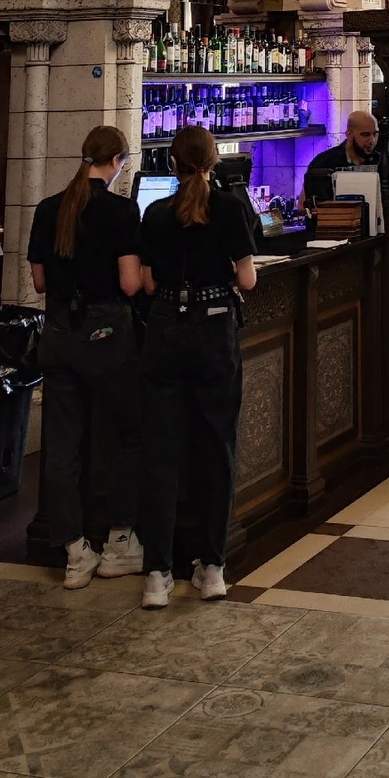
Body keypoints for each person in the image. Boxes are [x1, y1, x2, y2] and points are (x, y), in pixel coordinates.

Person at [137, 125, 258, 608]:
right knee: (216, 446)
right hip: (212, 328)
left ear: (172, 164)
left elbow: (148, 284)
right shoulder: (229, 207)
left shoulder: (155, 213)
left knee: (160, 451)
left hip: (165, 326)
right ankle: (212, 567)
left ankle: (156, 572)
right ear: (213, 163)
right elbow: (247, 279)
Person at [27, 124, 145, 590]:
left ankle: (75, 551)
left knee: (61, 447)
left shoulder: (47, 209)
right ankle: (120, 541)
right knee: (124, 435)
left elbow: (40, 282)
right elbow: (131, 283)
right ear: (116, 162)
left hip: (59, 332)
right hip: (106, 332)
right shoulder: (121, 210)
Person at [303, 108, 389, 209]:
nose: (372, 140)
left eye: (375, 134)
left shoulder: (381, 163)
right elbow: (303, 205)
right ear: (349, 134)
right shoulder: (323, 162)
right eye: (366, 135)